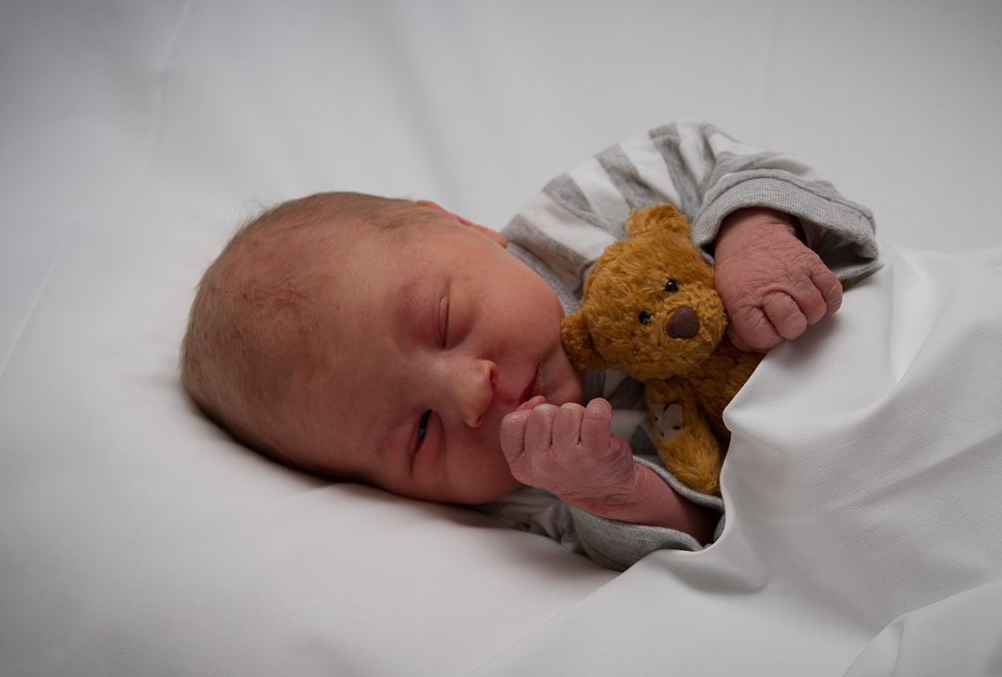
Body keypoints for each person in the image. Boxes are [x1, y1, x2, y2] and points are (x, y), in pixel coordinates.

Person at [181, 122, 879, 569]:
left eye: (445, 321)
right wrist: (615, 494)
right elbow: (708, 534)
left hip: (868, 347)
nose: (471, 393)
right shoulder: (525, 497)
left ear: (465, 227)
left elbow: (713, 157)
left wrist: (753, 232)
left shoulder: (580, 212)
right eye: (420, 433)